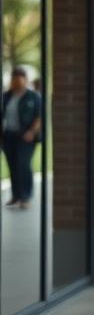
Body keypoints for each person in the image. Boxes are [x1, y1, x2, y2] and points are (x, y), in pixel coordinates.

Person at [2, 67, 42, 209]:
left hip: (25, 137)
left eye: (19, 79)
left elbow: (39, 116)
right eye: (14, 79)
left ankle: (25, 197)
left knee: (23, 165)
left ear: (25, 80)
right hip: (9, 136)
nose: (16, 82)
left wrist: (31, 131)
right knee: (12, 166)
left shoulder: (33, 97)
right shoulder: (6, 96)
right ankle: (16, 196)